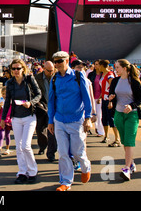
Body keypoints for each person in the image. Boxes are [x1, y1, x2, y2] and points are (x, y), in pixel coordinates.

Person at [47, 51, 92, 191]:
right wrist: (50, 121)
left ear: (67, 61)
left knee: (77, 151)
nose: (57, 64)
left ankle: (86, 167)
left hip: (76, 119)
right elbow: (51, 100)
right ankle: (66, 182)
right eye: (55, 61)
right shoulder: (54, 79)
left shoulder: (78, 76)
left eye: (59, 61)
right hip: (60, 119)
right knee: (63, 153)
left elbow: (86, 98)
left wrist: (88, 118)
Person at [0, 59, 41, 185]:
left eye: (18, 68)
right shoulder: (10, 82)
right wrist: (3, 118)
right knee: (18, 147)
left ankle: (33, 171)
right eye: (13, 69)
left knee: (26, 146)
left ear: (23, 68)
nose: (16, 71)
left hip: (29, 116)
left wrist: (31, 102)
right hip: (16, 117)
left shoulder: (29, 79)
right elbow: (7, 101)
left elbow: (38, 94)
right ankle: (22, 172)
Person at [108, 59, 141, 181]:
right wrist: (111, 99)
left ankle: (126, 168)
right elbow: (112, 94)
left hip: (132, 115)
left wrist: (132, 106)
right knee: (124, 141)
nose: (115, 69)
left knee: (129, 141)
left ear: (124, 68)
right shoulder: (115, 81)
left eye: (117, 67)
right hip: (118, 114)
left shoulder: (134, 82)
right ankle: (131, 163)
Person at [34, 61, 57, 158]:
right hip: (41, 107)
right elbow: (34, 93)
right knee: (40, 129)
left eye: (52, 70)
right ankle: (43, 146)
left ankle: (51, 152)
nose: (51, 73)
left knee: (52, 131)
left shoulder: (56, 77)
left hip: (53, 107)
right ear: (43, 69)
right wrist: (39, 104)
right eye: (49, 71)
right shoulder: (37, 78)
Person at [87, 60, 105, 138]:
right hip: (92, 96)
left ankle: (100, 130)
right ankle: (96, 128)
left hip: (99, 97)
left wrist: (101, 97)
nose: (97, 66)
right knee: (92, 114)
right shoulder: (91, 74)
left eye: (98, 64)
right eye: (96, 64)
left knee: (99, 114)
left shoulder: (102, 75)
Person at [0, 86, 12, 157]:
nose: (5, 95)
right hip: (0, 120)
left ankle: (7, 148)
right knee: (1, 135)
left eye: (7, 93)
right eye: (3, 94)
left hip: (8, 121)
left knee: (7, 135)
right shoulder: (0, 101)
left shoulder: (11, 102)